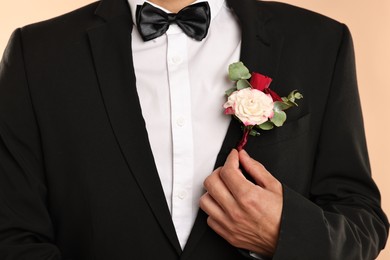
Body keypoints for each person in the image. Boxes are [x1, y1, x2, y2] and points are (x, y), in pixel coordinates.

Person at [0, 0, 388, 259]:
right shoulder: (38, 52)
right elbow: (12, 234)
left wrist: (285, 235)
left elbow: (362, 219)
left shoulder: (320, 41)